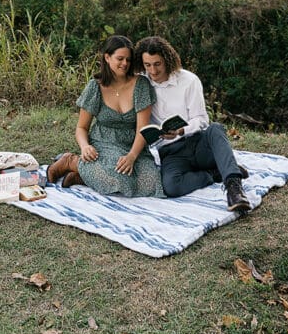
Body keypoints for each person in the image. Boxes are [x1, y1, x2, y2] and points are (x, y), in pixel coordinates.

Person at [134, 35, 250, 212]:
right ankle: (214, 173)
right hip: (171, 152)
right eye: (147, 65)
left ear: (167, 60)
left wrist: (181, 130)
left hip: (198, 144)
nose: (153, 71)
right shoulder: (141, 84)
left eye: (157, 64)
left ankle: (234, 189)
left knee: (215, 129)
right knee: (171, 187)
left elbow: (202, 119)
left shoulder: (188, 80)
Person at [47, 35, 164, 198]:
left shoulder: (141, 85)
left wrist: (132, 156)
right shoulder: (95, 87)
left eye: (128, 60)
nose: (125, 64)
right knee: (121, 179)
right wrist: (85, 147)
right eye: (120, 59)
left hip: (133, 145)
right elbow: (81, 127)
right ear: (107, 57)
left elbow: (142, 129)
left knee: (152, 183)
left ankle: (83, 177)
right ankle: (71, 161)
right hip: (103, 142)